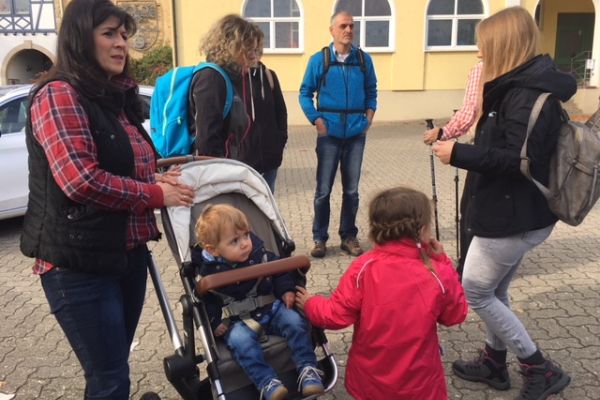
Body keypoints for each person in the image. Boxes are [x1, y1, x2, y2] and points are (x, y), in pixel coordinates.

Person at [19, 0, 195, 398]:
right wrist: (154, 193)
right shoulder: (59, 94)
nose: (121, 45)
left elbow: (119, 164)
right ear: (81, 39)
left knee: (115, 365)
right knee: (109, 376)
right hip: (77, 264)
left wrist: (157, 176)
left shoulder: (112, 99)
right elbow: (80, 180)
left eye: (124, 36)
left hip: (124, 255)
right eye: (109, 34)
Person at [432, 7, 575, 400]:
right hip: (517, 210)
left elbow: (516, 159)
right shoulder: (516, 86)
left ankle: (538, 367)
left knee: (475, 291)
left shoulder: (525, 94)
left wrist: (458, 153)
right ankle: (495, 364)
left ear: (504, 45)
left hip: (513, 215)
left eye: (484, 45)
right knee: (494, 291)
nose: (480, 52)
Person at [295, 186, 467, 399]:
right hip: (419, 383)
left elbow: (336, 315)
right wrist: (442, 260)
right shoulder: (436, 272)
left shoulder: (364, 267)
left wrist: (311, 303)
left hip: (371, 379)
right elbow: (455, 315)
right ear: (421, 229)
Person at [192, 204, 324, 400]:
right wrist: (213, 322)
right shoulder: (207, 272)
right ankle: (267, 382)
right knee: (240, 341)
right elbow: (205, 301)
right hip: (236, 320)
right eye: (235, 241)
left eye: (246, 235)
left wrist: (286, 290)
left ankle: (308, 368)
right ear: (214, 250)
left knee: (295, 322)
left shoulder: (260, 254)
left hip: (270, 308)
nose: (245, 243)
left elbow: (279, 271)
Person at [299, 10, 377, 258]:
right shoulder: (318, 60)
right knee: (323, 191)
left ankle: (348, 236)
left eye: (352, 26)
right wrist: (317, 119)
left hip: (356, 134)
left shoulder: (363, 61)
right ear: (332, 30)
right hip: (329, 135)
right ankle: (319, 238)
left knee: (351, 191)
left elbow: (372, 91)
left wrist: (368, 118)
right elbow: (304, 93)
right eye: (343, 26)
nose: (349, 30)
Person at [191, 15, 280, 180]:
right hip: (212, 177)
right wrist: (221, 180)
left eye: (256, 50)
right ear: (231, 47)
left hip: (225, 171)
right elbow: (207, 141)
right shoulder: (212, 77)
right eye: (249, 50)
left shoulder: (229, 77)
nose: (254, 57)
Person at [423, 61, 483, 278]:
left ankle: (467, 268)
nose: (478, 44)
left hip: (484, 149)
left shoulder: (482, 68)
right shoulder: (519, 67)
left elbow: (469, 110)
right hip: (505, 154)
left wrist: (443, 132)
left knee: (470, 210)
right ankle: (482, 265)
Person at [249, 47, 288, 193]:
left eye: (256, 49)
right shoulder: (234, 78)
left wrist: (280, 142)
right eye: (250, 49)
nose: (253, 54)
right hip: (244, 159)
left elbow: (281, 111)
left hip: (270, 155)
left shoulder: (269, 76)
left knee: (267, 199)